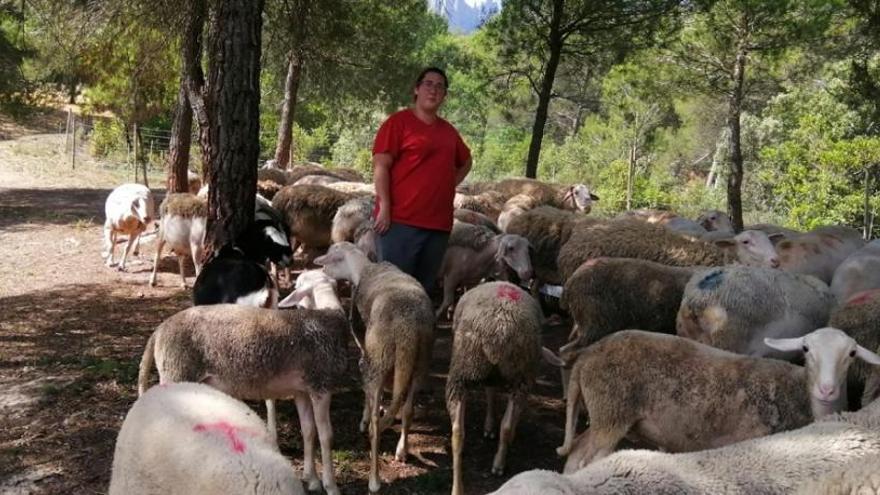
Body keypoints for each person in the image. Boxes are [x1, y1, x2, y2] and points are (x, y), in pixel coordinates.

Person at [372, 67, 472, 294]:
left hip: (438, 225)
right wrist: (385, 206)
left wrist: (448, 184)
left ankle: (417, 331)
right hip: (399, 222)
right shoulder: (397, 123)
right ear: (416, 89)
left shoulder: (448, 132)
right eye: (428, 84)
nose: (434, 90)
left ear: (444, 95)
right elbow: (381, 166)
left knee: (422, 292)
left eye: (440, 86)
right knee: (394, 291)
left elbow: (466, 162)